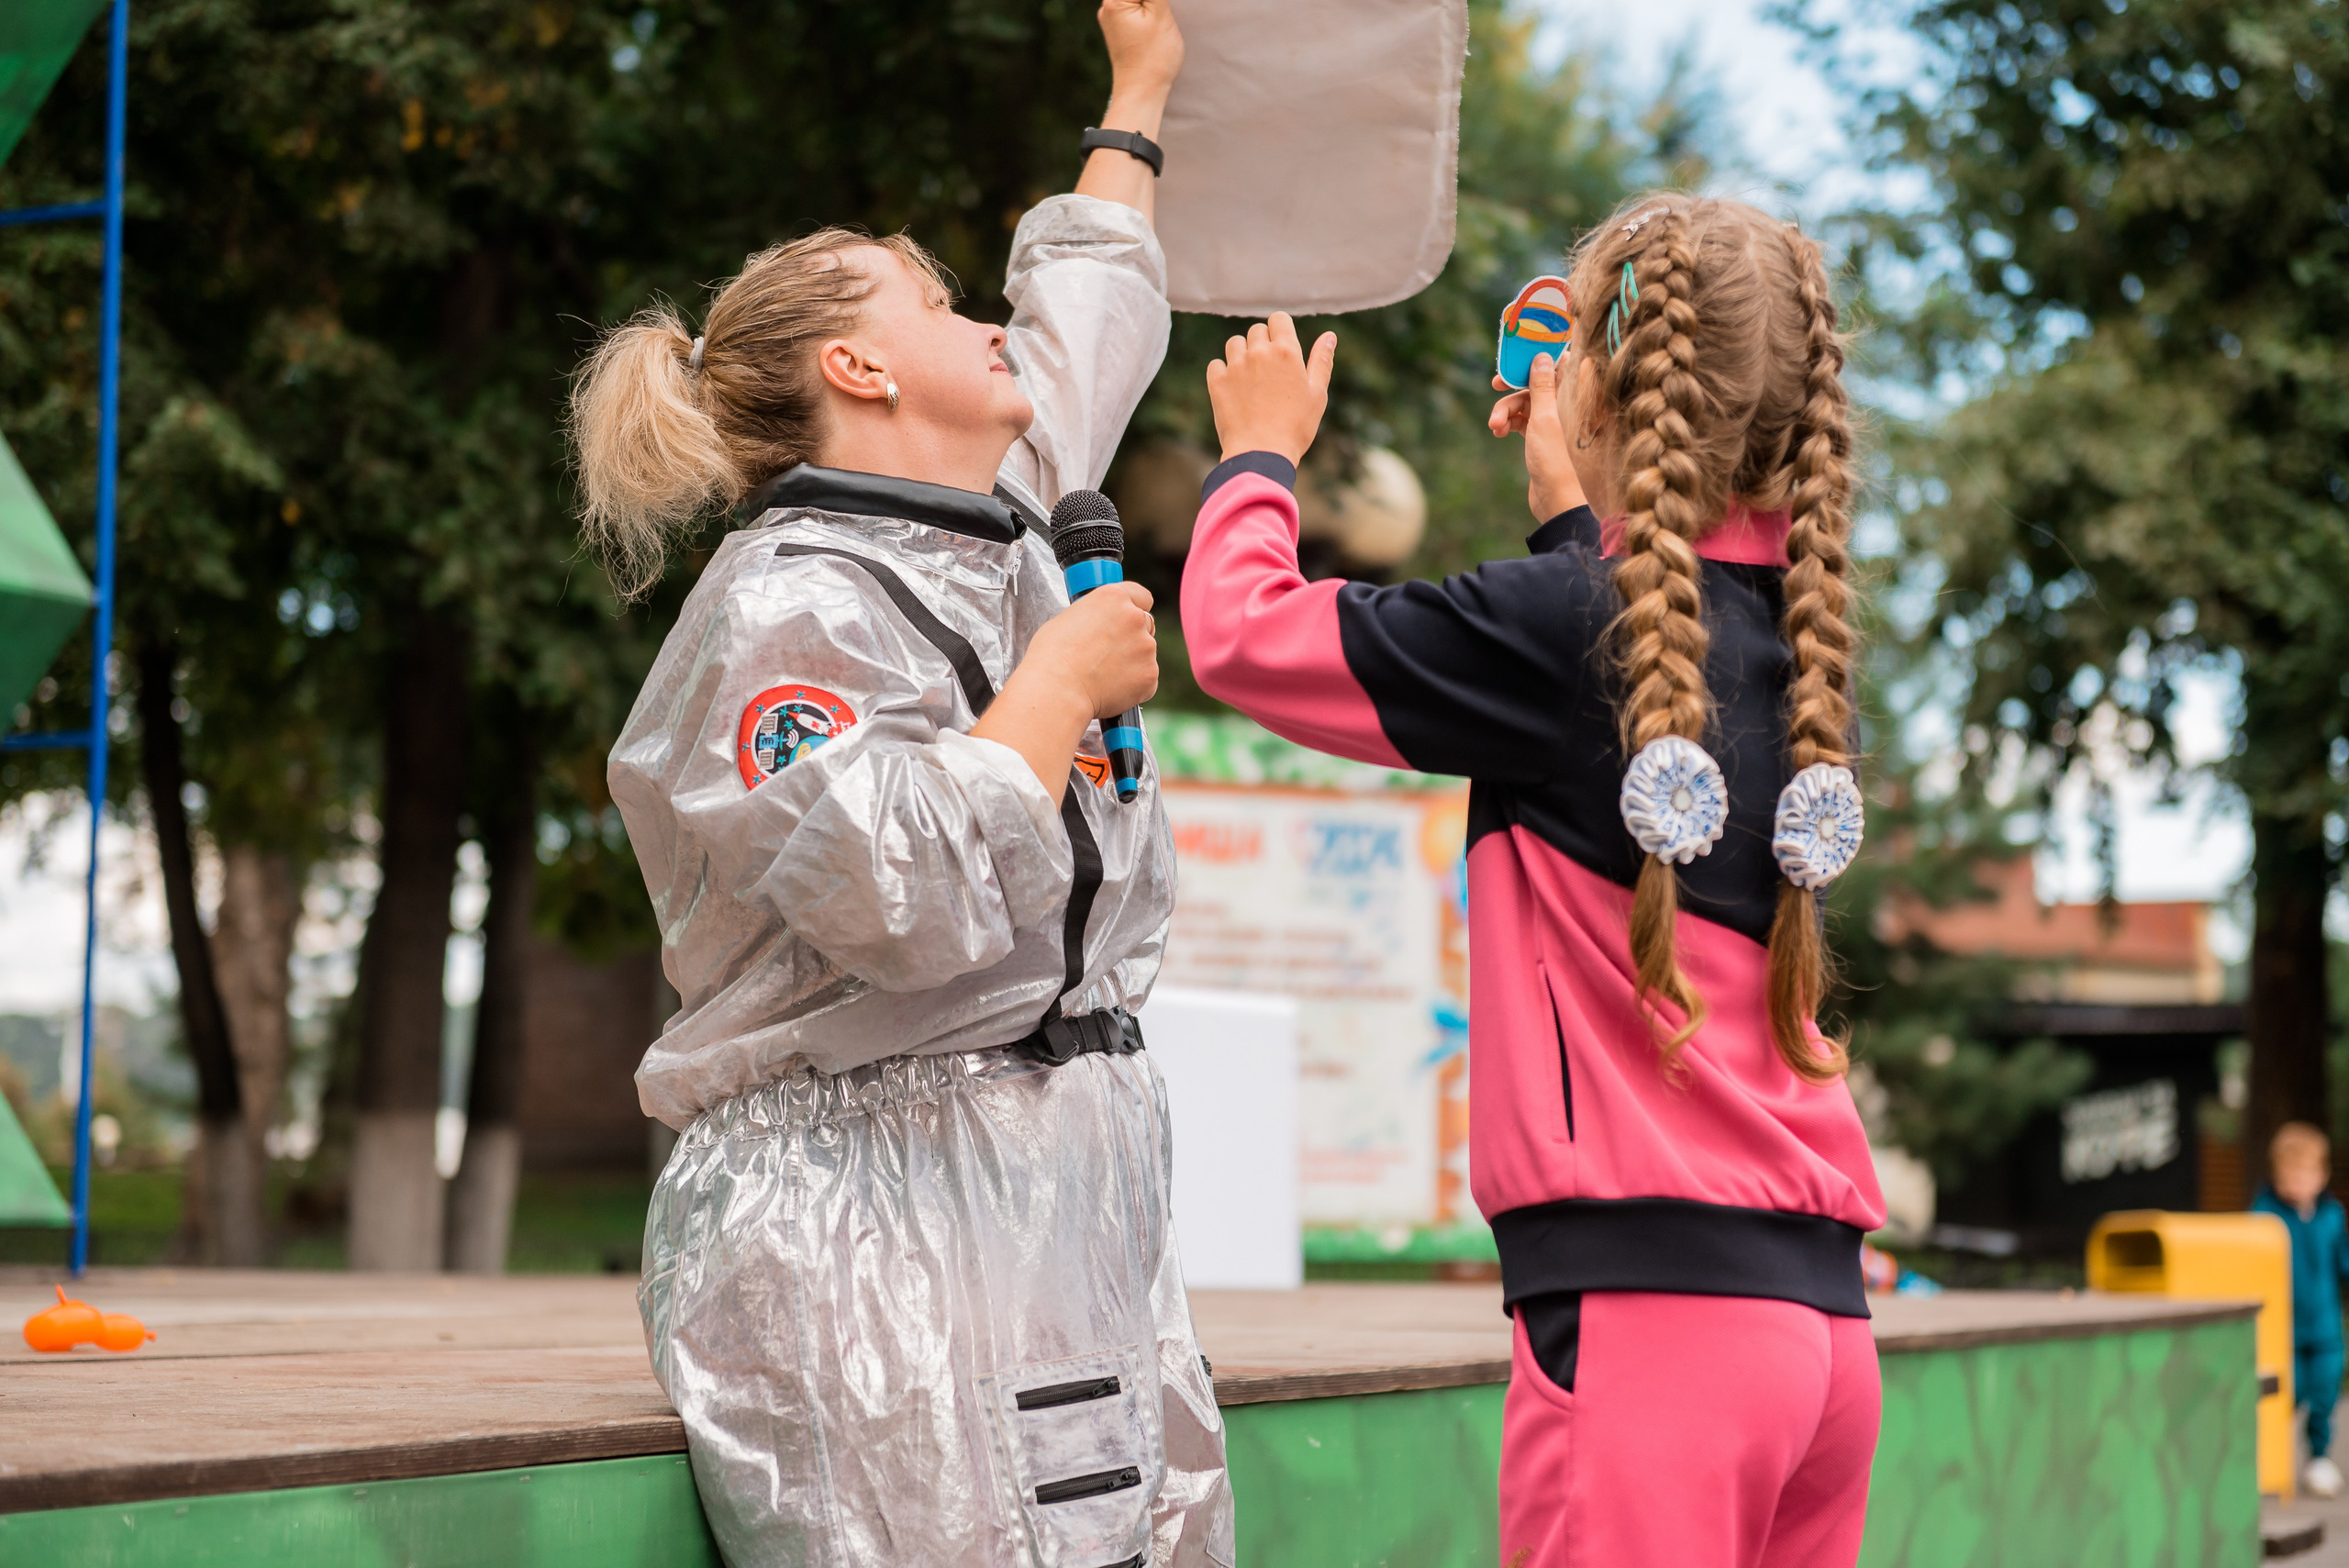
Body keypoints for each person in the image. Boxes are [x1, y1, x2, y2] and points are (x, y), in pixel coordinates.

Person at [568, 6, 1235, 1564]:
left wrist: (1138, 89)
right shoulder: (783, 605)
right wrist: (1056, 685)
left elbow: (1085, 308)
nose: (990, 315)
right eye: (938, 300)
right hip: (869, 1207)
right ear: (858, 365)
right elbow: (901, 898)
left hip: (1064, 1172)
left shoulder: (986, 515)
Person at [1180, 195, 1887, 1566]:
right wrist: (1576, 515)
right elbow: (1629, 680)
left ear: (1606, 390)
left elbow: (1239, 635)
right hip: (1826, 1342)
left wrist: (1256, 458)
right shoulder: (1811, 670)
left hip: (1645, 1340)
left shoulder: (1556, 637)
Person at [2254, 1121, 2349, 1498]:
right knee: (2283, 1395)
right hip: (2283, 1329)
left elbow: (2342, 1261)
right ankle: (2269, 1460)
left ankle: (2319, 1457)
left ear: (2321, 1175)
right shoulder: (2265, 1214)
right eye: (2288, 1175)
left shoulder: (2331, 1215)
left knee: (2325, 1390)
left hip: (2324, 1327)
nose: (2296, 1183)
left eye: (2305, 1174)